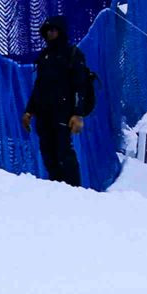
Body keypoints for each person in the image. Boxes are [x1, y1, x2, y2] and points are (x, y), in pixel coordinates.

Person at [27, 16, 97, 186]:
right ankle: (55, 188)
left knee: (64, 152)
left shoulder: (73, 54)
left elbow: (80, 86)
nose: (50, 34)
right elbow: (39, 86)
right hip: (44, 114)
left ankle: (74, 190)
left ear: (61, 32)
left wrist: (77, 114)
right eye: (48, 30)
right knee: (47, 152)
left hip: (63, 113)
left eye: (54, 30)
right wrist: (29, 111)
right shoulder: (44, 56)